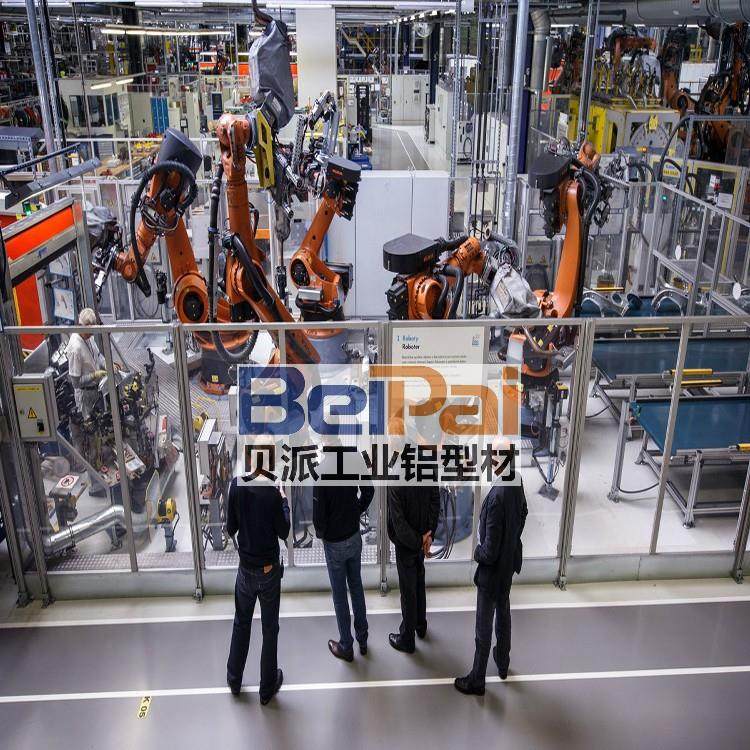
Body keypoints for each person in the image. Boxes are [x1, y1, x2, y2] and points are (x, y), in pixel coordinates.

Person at [454, 479, 528, 696]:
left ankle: (477, 679)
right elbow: (523, 512)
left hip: (492, 575)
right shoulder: (517, 480)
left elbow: (489, 552)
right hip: (508, 566)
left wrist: (476, 552)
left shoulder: (496, 498)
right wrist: (511, 540)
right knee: (503, 613)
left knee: (483, 629)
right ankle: (503, 661)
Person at [226, 477, 290, 705]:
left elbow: (230, 528)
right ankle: (266, 688)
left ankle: (234, 679)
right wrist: (284, 501)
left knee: (241, 623)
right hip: (268, 572)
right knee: (270, 628)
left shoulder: (236, 485)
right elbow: (284, 531)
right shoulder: (273, 494)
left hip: (245, 570)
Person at [313, 478, 374, 661]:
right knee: (356, 587)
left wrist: (323, 533)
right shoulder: (354, 463)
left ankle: (346, 645)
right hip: (353, 536)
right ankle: (363, 639)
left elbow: (318, 516)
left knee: (340, 595)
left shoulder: (321, 473)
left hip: (334, 542)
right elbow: (369, 491)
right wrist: (356, 510)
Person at [387, 484, 440, 653]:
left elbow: (398, 523)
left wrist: (418, 541)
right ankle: (420, 625)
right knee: (418, 581)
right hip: (422, 536)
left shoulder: (395, 479)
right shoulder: (428, 469)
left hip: (406, 544)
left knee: (408, 590)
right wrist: (428, 536)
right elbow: (435, 501)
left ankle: (407, 639)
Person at [66, 307, 107, 421]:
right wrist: (94, 375)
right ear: (81, 325)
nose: (91, 334)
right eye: (89, 331)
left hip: (96, 391)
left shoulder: (88, 337)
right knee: (89, 425)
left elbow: (98, 355)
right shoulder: (75, 348)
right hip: (85, 396)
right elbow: (76, 383)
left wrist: (107, 364)